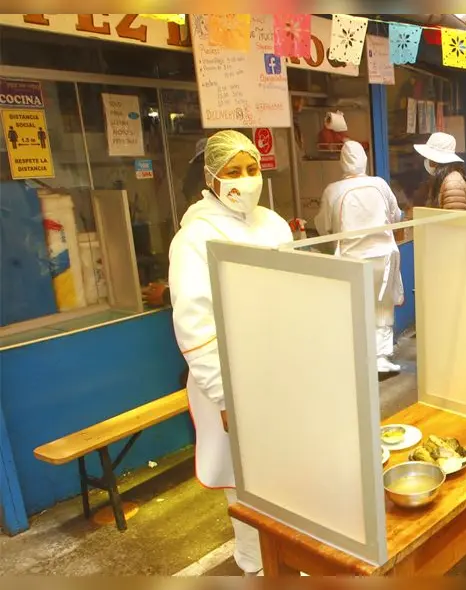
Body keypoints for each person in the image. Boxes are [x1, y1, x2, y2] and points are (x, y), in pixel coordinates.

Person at [168, 130, 293, 576]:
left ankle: (288, 562)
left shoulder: (273, 224)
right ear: (212, 178)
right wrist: (225, 397)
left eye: (253, 169)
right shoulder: (194, 238)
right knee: (246, 488)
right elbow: (194, 324)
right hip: (232, 382)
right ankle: (256, 568)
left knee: (285, 479)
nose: (246, 179)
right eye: (233, 172)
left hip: (279, 374)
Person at [315, 140, 404, 374]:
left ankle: (357, 357)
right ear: (364, 159)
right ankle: (381, 357)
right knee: (382, 307)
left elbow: (323, 227)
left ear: (341, 162)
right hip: (383, 257)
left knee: (353, 308)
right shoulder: (380, 184)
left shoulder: (332, 190)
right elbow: (396, 215)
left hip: (350, 259)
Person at [414, 132, 466, 210]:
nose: (428, 160)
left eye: (429, 157)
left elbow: (455, 219)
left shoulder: (453, 183)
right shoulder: (443, 180)